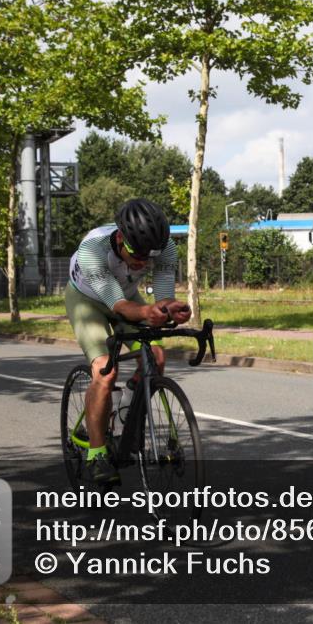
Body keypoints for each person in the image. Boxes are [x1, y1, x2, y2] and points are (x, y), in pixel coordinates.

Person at [66, 198, 191, 486]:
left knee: (156, 359)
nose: (143, 261)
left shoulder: (166, 249)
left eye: (150, 256)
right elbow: (119, 306)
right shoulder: (92, 251)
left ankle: (124, 413)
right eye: (137, 253)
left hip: (125, 295)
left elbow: (162, 299)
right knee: (104, 371)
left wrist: (171, 309)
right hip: (88, 301)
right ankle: (97, 454)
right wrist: (148, 312)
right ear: (120, 237)